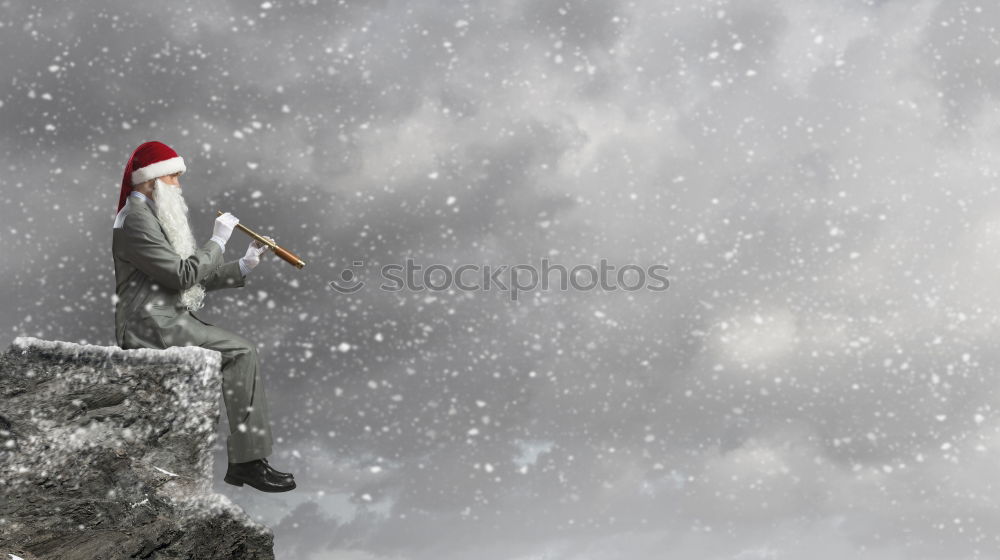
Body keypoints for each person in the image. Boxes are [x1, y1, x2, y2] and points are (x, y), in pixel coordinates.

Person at [112, 140, 295, 493]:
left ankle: (247, 460)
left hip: (166, 318)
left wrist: (244, 264)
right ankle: (247, 462)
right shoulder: (136, 220)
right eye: (173, 178)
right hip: (150, 326)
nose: (178, 187)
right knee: (241, 352)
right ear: (151, 180)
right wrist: (218, 241)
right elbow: (181, 275)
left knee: (241, 350)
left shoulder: (149, 215)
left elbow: (190, 274)